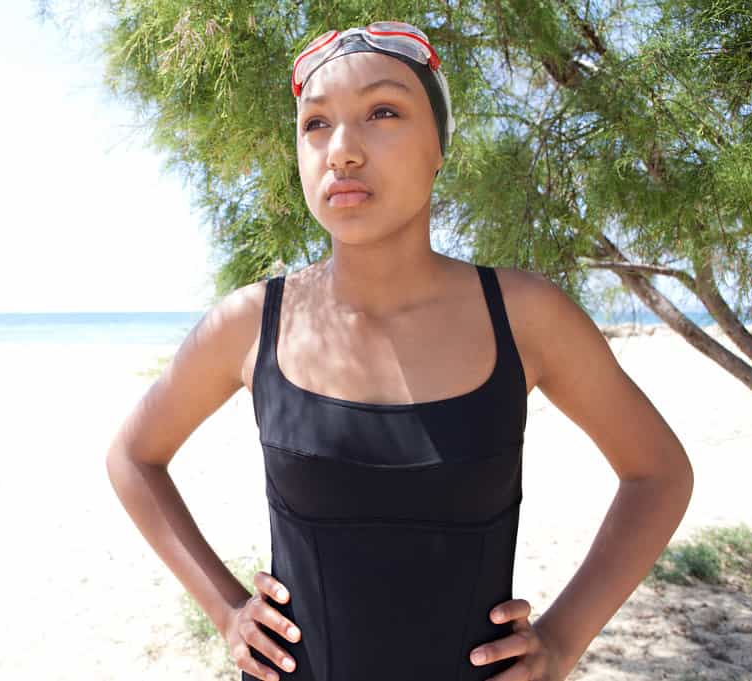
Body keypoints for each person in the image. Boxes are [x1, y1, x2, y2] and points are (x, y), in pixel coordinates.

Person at [105, 20, 694, 681]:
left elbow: (659, 474)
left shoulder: (525, 317)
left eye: (382, 111)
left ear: (439, 146)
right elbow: (133, 456)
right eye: (316, 124)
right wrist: (225, 610)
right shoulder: (253, 323)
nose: (342, 151)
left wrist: (562, 638)